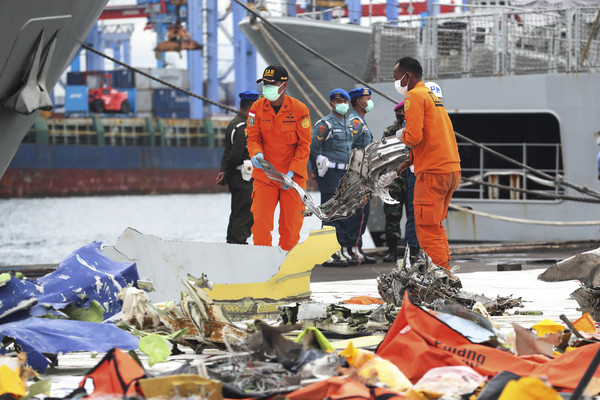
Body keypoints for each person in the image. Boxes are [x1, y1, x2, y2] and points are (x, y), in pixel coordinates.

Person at [380, 57, 461, 270]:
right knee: (435, 225)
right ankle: (444, 271)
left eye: (397, 78)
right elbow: (426, 143)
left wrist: (401, 135)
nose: (397, 83)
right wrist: (397, 171)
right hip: (450, 169)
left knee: (425, 227)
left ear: (408, 76)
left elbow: (414, 137)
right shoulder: (432, 97)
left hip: (433, 173)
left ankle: (440, 276)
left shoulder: (414, 96)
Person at [246, 65, 312, 251]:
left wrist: (292, 172)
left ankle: (285, 269)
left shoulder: (300, 109)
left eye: (271, 83)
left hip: (292, 179)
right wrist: (255, 153)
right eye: (265, 83)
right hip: (265, 177)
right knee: (260, 226)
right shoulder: (256, 108)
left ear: (284, 85)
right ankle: (262, 267)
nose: (267, 87)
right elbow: (253, 137)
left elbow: (304, 144)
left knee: (290, 229)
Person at [310, 88, 356, 267]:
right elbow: (313, 147)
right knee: (329, 212)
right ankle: (327, 253)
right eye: (338, 102)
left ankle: (340, 249)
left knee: (343, 211)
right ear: (331, 104)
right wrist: (317, 169)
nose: (341, 105)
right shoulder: (325, 124)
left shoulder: (349, 124)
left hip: (346, 173)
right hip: (330, 173)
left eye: (344, 102)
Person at [217, 90, 260, 245]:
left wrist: (224, 171)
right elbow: (235, 154)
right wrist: (227, 172)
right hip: (243, 177)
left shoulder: (234, 123)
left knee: (237, 211)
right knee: (245, 211)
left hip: (237, 176)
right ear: (251, 105)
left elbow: (227, 151)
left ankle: (233, 243)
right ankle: (238, 242)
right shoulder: (243, 126)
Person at [381, 101, 420, 263]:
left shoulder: (414, 130)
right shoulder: (390, 132)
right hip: (394, 178)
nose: (403, 115)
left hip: (410, 175)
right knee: (392, 215)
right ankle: (392, 251)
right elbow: (382, 154)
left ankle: (414, 250)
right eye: (401, 112)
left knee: (414, 215)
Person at [345, 87, 377, 264]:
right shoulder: (355, 122)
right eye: (367, 98)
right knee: (356, 212)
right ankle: (351, 248)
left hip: (364, 173)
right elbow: (347, 146)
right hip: (356, 173)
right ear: (359, 101)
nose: (370, 101)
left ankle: (357, 247)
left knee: (363, 211)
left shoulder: (361, 121)